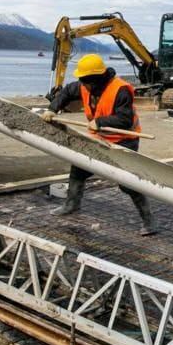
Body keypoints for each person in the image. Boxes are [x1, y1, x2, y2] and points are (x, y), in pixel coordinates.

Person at [43, 54, 155, 236]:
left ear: (96, 79)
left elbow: (125, 119)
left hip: (123, 140)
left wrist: (101, 121)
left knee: (127, 183)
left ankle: (149, 221)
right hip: (98, 137)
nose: (82, 85)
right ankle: (72, 204)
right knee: (79, 168)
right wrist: (52, 109)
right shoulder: (85, 85)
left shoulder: (120, 90)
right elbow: (66, 92)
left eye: (85, 81)